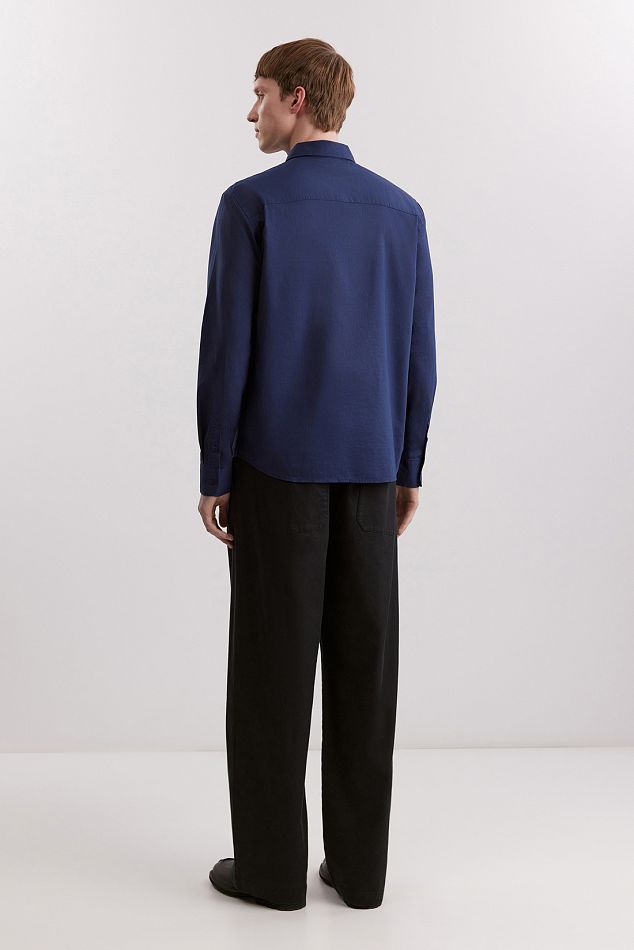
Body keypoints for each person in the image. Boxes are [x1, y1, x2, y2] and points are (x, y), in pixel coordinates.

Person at [197, 37, 437, 911]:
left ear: (297, 98)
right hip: (371, 473)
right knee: (366, 675)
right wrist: (408, 465)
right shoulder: (401, 212)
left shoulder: (251, 205)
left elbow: (227, 349)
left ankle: (270, 873)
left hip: (277, 471)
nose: (251, 111)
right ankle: (361, 875)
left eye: (260, 93)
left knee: (272, 672)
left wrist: (216, 467)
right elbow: (419, 354)